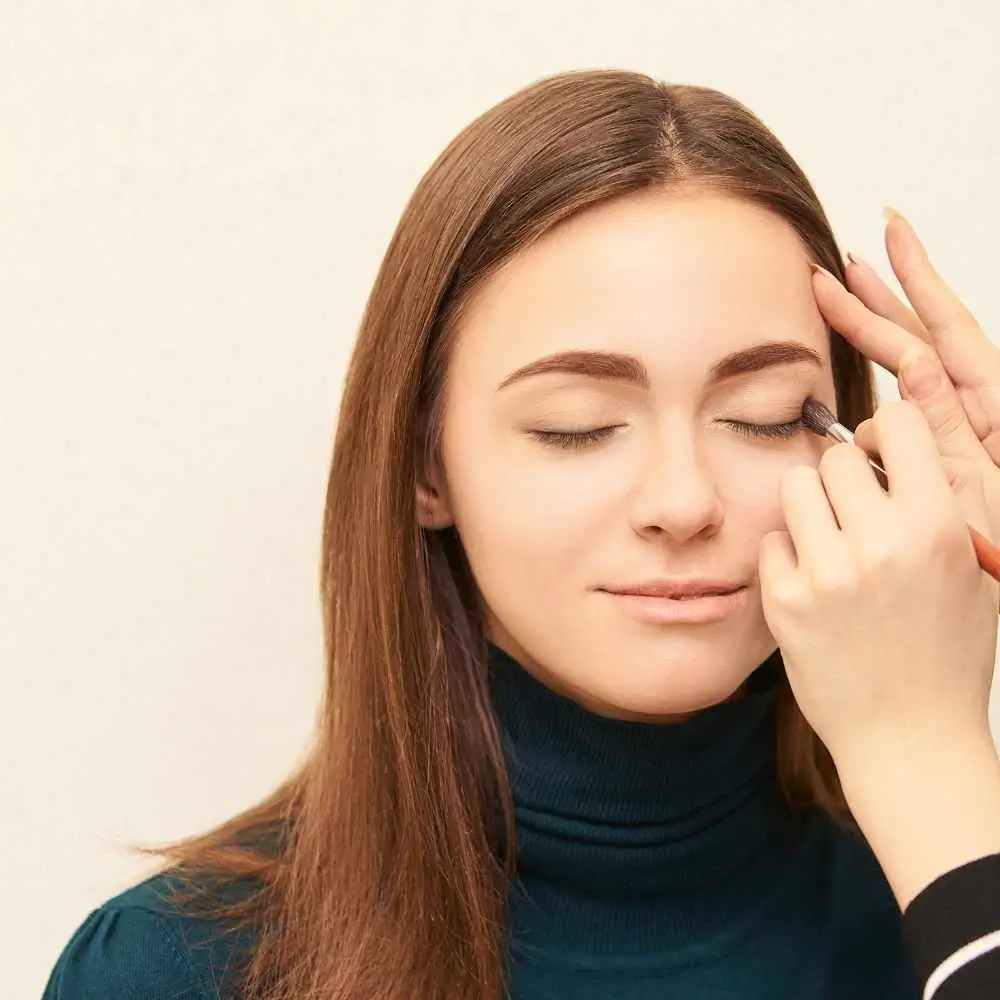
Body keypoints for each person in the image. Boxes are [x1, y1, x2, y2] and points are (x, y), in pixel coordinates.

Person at [40, 69, 1000, 1000]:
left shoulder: (954, 869)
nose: (682, 501)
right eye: (576, 424)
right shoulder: (179, 970)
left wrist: (934, 759)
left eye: (765, 413)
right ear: (426, 468)